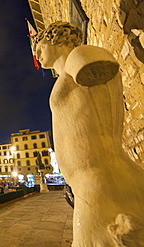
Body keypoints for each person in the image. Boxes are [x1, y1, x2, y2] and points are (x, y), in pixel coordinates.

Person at [33, 21, 144, 246]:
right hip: (93, 181)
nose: (36, 54)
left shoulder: (80, 55)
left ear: (57, 39)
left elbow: (94, 63)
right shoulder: (67, 72)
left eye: (40, 46)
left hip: (98, 183)